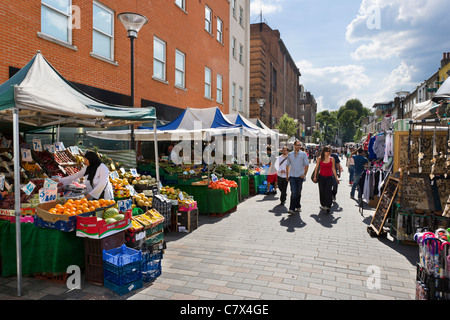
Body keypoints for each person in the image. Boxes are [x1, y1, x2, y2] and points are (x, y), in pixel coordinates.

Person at [312, 146, 339, 214]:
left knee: (328, 191)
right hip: (321, 177)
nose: (328, 152)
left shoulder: (332, 159)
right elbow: (316, 168)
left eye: (329, 151)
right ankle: (323, 204)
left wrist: (336, 178)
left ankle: (328, 205)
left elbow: (333, 169)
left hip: (329, 177)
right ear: (323, 152)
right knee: (322, 191)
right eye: (327, 151)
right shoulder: (319, 159)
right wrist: (315, 176)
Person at [285, 140, 309, 215]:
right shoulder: (290, 155)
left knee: (298, 192)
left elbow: (307, 165)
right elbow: (287, 165)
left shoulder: (303, 154)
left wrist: (304, 174)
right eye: (297, 145)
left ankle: (298, 205)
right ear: (294, 146)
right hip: (292, 176)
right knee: (293, 192)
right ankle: (291, 208)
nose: (299, 146)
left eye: (300, 145)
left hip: (300, 176)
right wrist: (287, 175)